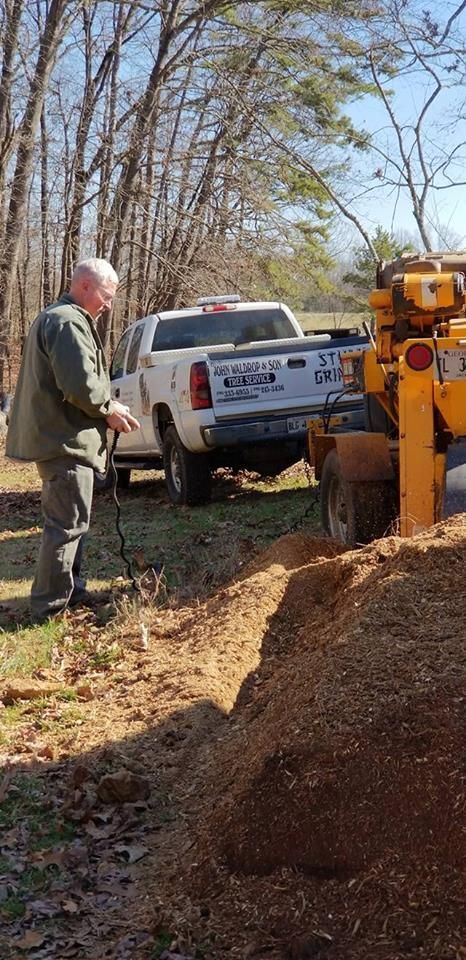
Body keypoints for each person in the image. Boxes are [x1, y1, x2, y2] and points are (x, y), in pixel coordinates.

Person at [5, 258, 140, 622]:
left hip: (62, 439)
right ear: (85, 286)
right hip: (64, 442)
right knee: (66, 526)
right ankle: (50, 607)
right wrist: (109, 408)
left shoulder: (61, 317)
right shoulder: (66, 321)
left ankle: (71, 593)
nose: (109, 304)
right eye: (106, 295)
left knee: (73, 522)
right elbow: (80, 384)